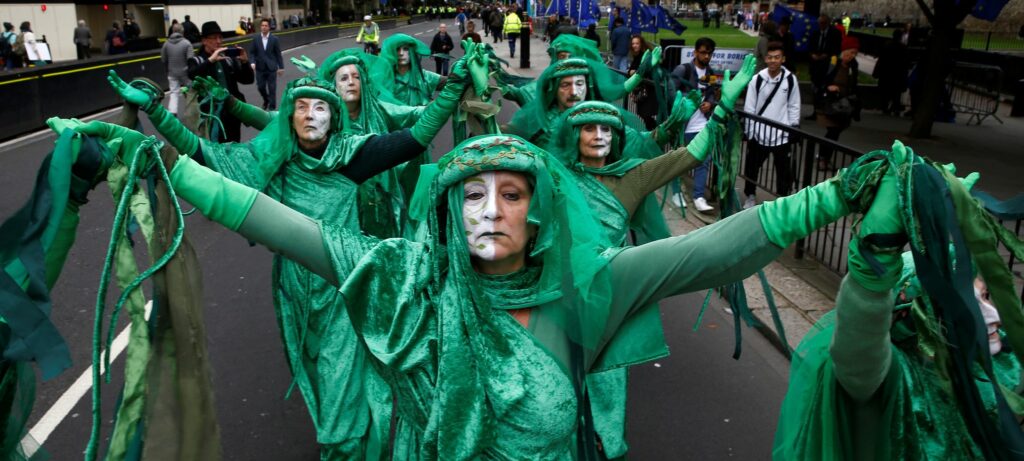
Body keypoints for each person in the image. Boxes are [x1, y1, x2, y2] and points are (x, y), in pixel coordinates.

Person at [67, 55, 899, 455]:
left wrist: (829, 199)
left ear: (540, 214)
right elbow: (279, 224)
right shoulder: (409, 283)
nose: (489, 208)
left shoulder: (590, 288)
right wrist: (161, 157)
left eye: (510, 193)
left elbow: (710, 253)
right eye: (469, 194)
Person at [101, 49, 474, 456]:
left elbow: (416, 136)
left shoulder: (351, 156)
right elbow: (200, 151)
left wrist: (452, 87)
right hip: (294, 291)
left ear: (334, 118)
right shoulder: (271, 160)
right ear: (290, 117)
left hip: (343, 286)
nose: (311, 115)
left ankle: (345, 448)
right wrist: (155, 110)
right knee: (319, 379)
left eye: (321, 108)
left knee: (340, 390)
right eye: (302, 107)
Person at [742, 41, 799, 209]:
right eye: (770, 57)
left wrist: (793, 127)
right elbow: (749, 107)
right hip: (759, 133)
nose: (773, 61)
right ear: (765, 59)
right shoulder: (757, 79)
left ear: (783, 59)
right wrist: (750, 132)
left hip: (781, 135)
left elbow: (794, 105)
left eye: (777, 57)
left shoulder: (790, 80)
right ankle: (750, 195)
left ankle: (782, 199)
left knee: (783, 170)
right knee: (752, 168)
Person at [669, 37, 719, 212]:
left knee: (704, 160)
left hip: (702, 124)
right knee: (681, 160)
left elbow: (711, 93)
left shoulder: (710, 72)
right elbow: (671, 91)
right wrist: (688, 101)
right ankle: (676, 192)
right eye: (703, 52)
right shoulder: (684, 69)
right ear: (696, 52)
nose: (706, 56)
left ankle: (699, 196)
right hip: (685, 124)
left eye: (709, 53)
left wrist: (710, 103)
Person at [187, 21, 254, 142]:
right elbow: (192, 74)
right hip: (211, 117)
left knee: (234, 147)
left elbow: (248, 80)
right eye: (214, 38)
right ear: (204, 41)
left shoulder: (227, 60)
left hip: (232, 115)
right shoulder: (197, 61)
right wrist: (210, 61)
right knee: (214, 149)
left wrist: (245, 62)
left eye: (220, 37)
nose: (218, 41)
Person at [815, 36, 860, 171]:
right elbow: (819, 79)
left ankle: (824, 157)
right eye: (850, 52)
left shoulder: (853, 66)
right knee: (832, 131)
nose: (852, 56)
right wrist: (828, 87)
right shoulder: (833, 62)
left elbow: (853, 84)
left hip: (843, 105)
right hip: (830, 104)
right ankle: (823, 158)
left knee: (836, 132)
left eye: (855, 53)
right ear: (844, 51)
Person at [372, 34, 443, 106]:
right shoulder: (383, 78)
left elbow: (449, 83)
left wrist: (437, 104)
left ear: (412, 52)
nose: (401, 53)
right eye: (397, 49)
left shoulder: (424, 76)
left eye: (405, 49)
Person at [807, 14, 841, 119]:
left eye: (823, 23)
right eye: (819, 23)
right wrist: (813, 55)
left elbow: (836, 48)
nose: (821, 25)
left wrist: (826, 55)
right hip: (815, 65)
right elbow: (810, 47)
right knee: (815, 89)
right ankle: (816, 111)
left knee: (825, 88)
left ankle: (825, 111)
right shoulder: (815, 33)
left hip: (827, 64)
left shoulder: (835, 33)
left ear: (827, 23)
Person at [873, 29, 910, 116]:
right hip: (897, 73)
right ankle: (895, 108)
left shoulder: (886, 46)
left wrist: (877, 72)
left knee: (885, 91)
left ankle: (885, 107)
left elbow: (881, 60)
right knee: (896, 92)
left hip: (886, 72)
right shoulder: (903, 48)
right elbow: (905, 63)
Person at [249, 18, 284, 110]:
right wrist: (252, 62)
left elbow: (278, 54)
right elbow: (252, 52)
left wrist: (281, 67)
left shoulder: (274, 39)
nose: (264, 27)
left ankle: (272, 109)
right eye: (262, 25)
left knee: (272, 89)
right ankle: (266, 99)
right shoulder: (256, 39)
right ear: (260, 27)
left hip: (271, 68)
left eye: (266, 26)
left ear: (269, 27)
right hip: (260, 68)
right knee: (260, 87)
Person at [160, 23, 193, 115]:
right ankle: (191, 110)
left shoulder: (166, 44)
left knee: (174, 93)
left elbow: (163, 59)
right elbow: (190, 59)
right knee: (191, 91)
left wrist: (168, 70)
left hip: (172, 72)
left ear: (172, 31)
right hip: (186, 73)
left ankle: (173, 112)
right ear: (182, 32)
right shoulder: (186, 43)